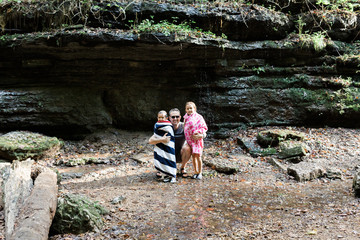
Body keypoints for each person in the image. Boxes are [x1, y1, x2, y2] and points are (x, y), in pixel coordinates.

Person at [149, 108, 205, 178]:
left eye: (177, 116)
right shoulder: (165, 127)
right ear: (169, 118)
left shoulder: (184, 126)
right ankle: (162, 169)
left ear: (180, 117)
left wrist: (202, 135)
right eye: (173, 117)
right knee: (159, 146)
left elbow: (196, 131)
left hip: (180, 154)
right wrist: (162, 139)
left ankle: (182, 168)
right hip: (167, 155)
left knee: (187, 147)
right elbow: (150, 140)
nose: (175, 119)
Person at [183, 102, 208, 180]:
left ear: (195, 109)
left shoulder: (199, 117)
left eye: (191, 108)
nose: (189, 110)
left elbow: (204, 127)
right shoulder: (185, 117)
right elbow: (184, 126)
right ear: (185, 110)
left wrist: (199, 133)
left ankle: (200, 172)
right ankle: (195, 172)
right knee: (193, 156)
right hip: (190, 141)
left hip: (197, 140)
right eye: (188, 108)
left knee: (198, 156)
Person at [151, 110, 177, 183]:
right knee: (162, 159)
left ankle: (173, 176)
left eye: (162, 117)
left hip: (169, 146)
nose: (161, 119)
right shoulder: (156, 125)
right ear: (157, 118)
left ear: (166, 118)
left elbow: (170, 136)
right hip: (159, 145)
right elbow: (155, 134)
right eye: (159, 117)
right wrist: (161, 139)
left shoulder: (169, 125)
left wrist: (164, 139)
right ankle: (165, 175)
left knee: (170, 159)